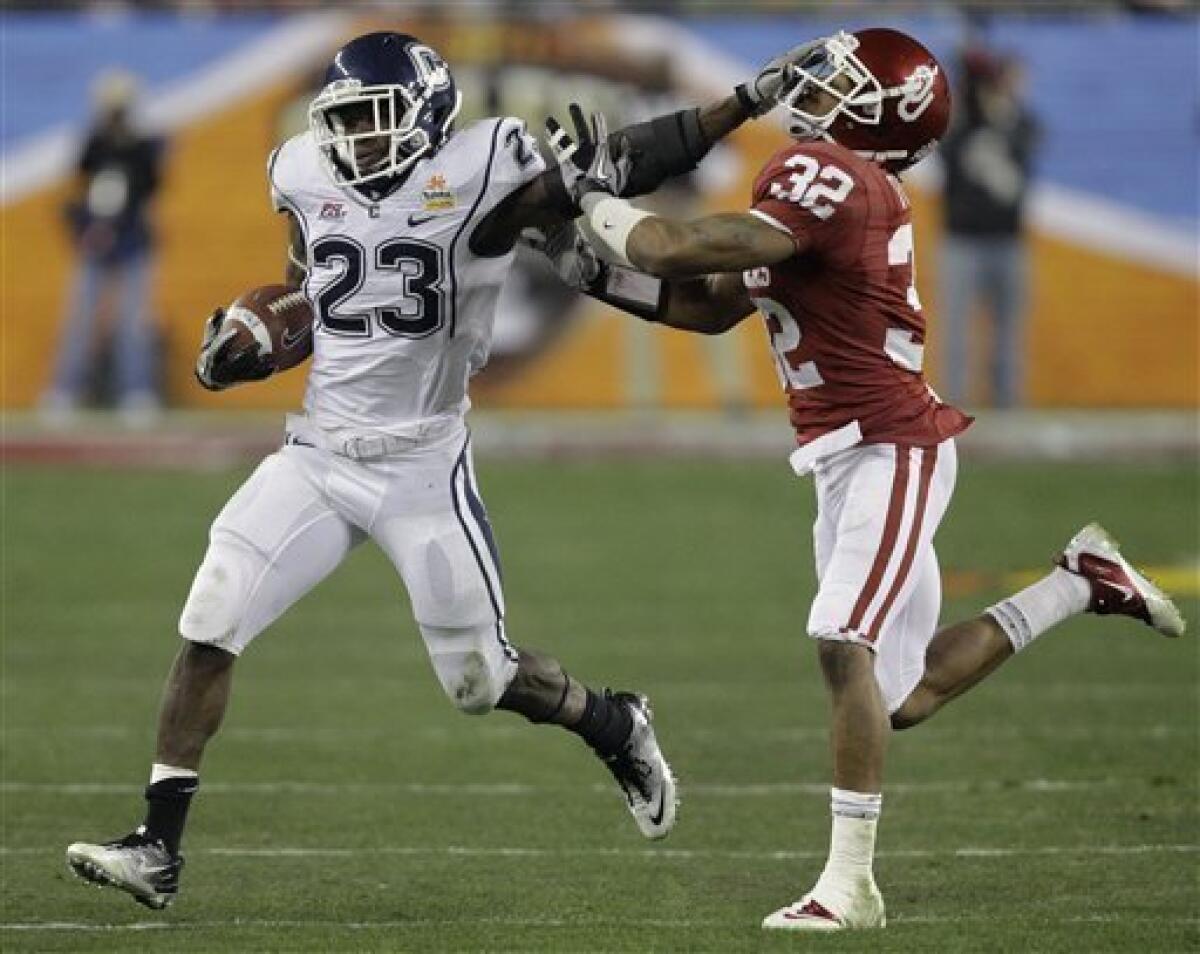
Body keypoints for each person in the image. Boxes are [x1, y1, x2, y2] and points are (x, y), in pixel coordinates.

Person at [63, 31, 814, 910]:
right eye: (343, 122)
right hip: (318, 452)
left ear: (424, 115)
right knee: (210, 616)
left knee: (478, 682)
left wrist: (738, 105)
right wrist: (252, 348)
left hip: (422, 461)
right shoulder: (303, 170)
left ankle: (613, 721)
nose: (356, 141)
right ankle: (157, 847)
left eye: (373, 121)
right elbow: (308, 287)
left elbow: (621, 156)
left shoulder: (484, 163)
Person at [533, 28, 1186, 932]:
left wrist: (594, 200)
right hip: (845, 453)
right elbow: (712, 306)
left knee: (843, 641)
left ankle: (849, 887)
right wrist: (583, 267)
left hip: (890, 443)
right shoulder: (829, 187)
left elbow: (673, 248)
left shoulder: (840, 181)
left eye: (844, 84)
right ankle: (1076, 585)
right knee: (898, 696)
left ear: (885, 118)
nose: (819, 92)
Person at [42, 69, 166, 424]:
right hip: (95, 243)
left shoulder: (143, 145)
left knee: (134, 323)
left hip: (132, 242)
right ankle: (65, 390)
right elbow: (81, 190)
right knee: (79, 319)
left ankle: (137, 391)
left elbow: (148, 190)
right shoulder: (95, 143)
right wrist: (89, 229)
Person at [937, 44, 1039, 408]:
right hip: (961, 239)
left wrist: (1000, 116)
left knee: (1009, 330)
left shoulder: (1020, 122)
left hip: (1008, 240)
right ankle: (953, 403)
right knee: (956, 329)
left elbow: (1028, 143)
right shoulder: (961, 123)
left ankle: (1007, 401)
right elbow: (946, 149)